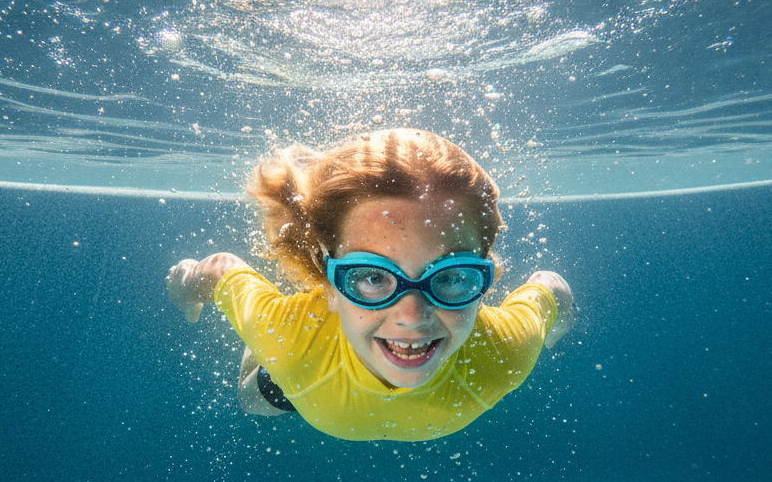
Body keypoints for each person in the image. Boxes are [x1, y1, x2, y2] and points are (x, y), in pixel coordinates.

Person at [166, 128, 572, 441]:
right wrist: (186, 288)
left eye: (449, 277)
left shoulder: (505, 351)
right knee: (251, 401)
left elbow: (549, 289)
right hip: (311, 353)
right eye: (373, 276)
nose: (412, 316)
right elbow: (220, 272)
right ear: (326, 281)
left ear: (485, 282)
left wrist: (560, 320)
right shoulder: (289, 341)